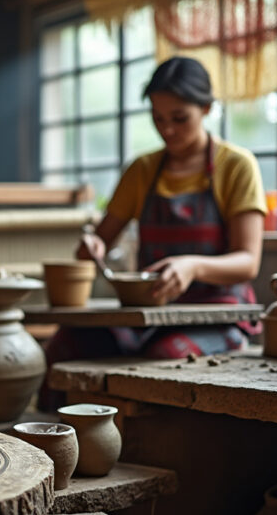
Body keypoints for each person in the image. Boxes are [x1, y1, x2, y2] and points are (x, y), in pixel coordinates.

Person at [44, 56, 265, 376]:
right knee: (66, 345)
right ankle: (69, 427)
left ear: (206, 108)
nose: (168, 130)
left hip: (218, 316)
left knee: (163, 356)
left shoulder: (236, 166)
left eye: (179, 118)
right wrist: (92, 247)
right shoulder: (141, 170)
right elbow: (94, 246)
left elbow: (248, 261)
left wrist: (193, 266)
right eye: (158, 118)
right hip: (148, 314)